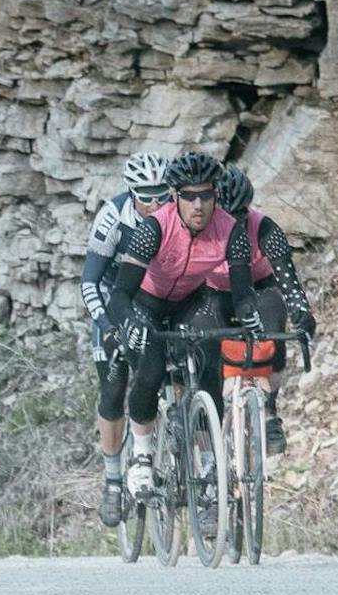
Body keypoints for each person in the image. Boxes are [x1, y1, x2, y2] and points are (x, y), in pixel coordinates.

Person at [101, 150, 237, 508]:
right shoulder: (154, 228)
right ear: (174, 197)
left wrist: (250, 318)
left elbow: (243, 288)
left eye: (206, 195)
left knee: (210, 359)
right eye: (189, 196)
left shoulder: (228, 228)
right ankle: (143, 456)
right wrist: (128, 321)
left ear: (216, 196)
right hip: (146, 302)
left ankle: (209, 465)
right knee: (150, 368)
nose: (198, 205)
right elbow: (119, 294)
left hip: (191, 302)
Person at [82, 150, 172, 527]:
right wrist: (106, 323)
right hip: (113, 298)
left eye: (162, 195)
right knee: (114, 388)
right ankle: (114, 479)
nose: (155, 203)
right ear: (131, 191)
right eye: (146, 196)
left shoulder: (177, 216)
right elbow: (90, 281)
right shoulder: (112, 218)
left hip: (154, 298)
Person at [206, 165, 317, 455]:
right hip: (213, 290)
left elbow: (288, 281)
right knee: (206, 336)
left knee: (273, 325)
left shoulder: (266, 228)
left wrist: (302, 315)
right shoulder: (198, 228)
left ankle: (268, 412)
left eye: (239, 217)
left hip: (258, 287)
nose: (233, 225)